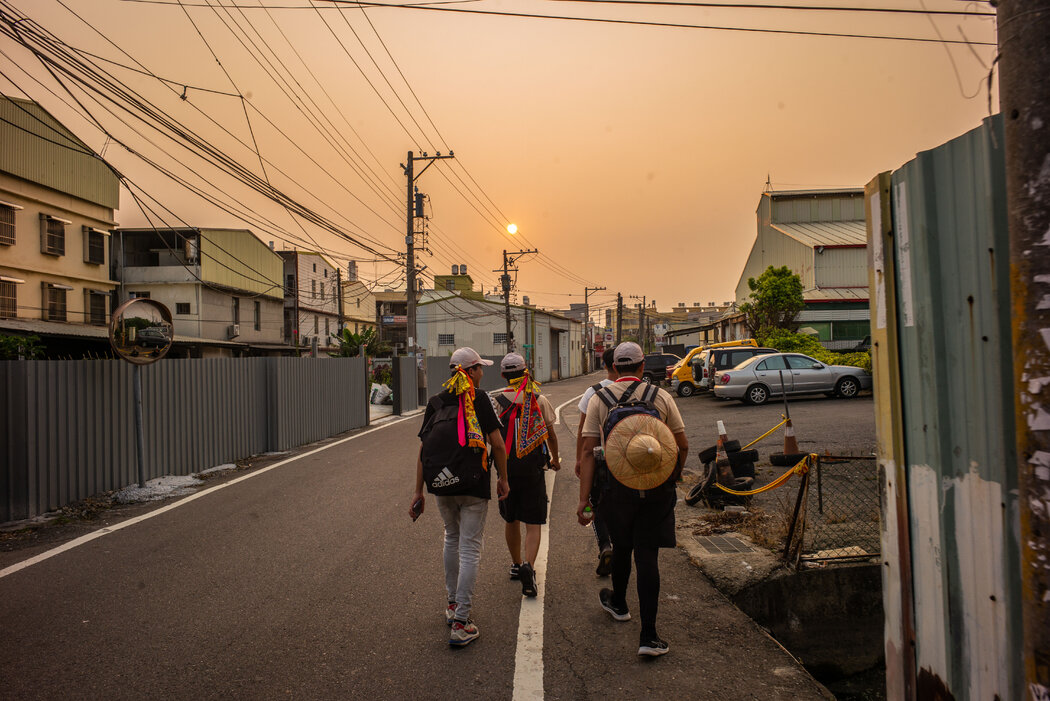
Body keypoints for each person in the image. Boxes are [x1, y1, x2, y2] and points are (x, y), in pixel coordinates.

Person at [577, 341, 688, 657]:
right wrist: (672, 476)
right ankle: (649, 636)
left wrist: (584, 501)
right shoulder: (660, 396)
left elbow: (588, 452)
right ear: (642, 366)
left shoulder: (599, 399)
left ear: (614, 367)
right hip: (656, 488)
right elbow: (681, 444)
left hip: (616, 489)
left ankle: (620, 604)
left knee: (622, 546)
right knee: (647, 555)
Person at [412, 347, 509, 648]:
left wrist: (418, 491)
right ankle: (462, 622)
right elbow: (498, 444)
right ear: (471, 372)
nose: (483, 372)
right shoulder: (480, 399)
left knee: (451, 538)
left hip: (441, 484)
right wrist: (503, 478)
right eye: (480, 367)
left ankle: (453, 604)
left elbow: (424, 450)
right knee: (469, 548)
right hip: (472, 484)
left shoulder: (435, 402)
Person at [490, 353, 561, 598]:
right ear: (526, 372)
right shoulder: (539, 400)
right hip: (533, 469)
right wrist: (555, 459)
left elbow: (490, 438)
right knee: (533, 522)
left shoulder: (495, 402)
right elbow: (551, 435)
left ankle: (516, 564)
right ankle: (529, 566)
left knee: (511, 518)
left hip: (506, 469)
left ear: (503, 375)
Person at [575, 347, 617, 576]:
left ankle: (605, 545)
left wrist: (579, 459)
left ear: (605, 365)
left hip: (600, 458)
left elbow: (583, 431)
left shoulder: (593, 392)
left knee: (597, 502)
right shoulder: (640, 389)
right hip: (631, 458)